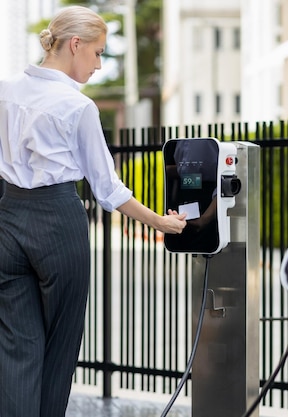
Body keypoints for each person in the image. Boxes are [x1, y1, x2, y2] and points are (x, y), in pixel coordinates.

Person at [0, 6, 187, 417]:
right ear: (75, 44)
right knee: (61, 342)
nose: (99, 64)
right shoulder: (77, 107)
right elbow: (107, 189)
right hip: (57, 222)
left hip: (8, 218)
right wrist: (161, 222)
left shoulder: (5, 90)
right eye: (98, 53)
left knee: (16, 347)